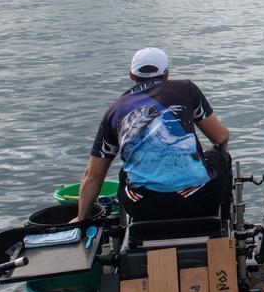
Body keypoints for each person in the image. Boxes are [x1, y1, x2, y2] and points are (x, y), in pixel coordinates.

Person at [74, 47, 231, 223]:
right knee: (219, 158)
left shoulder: (115, 110)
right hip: (200, 198)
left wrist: (81, 219)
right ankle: (223, 225)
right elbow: (221, 137)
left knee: (125, 173)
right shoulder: (187, 89)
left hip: (143, 207)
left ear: (131, 76)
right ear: (166, 74)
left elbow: (93, 175)